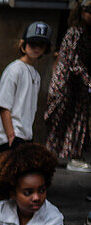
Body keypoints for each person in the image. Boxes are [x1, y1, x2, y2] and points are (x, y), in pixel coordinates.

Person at [44, 1, 91, 172]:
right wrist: (88, 80)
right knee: (60, 120)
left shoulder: (86, 33)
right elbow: (73, 61)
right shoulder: (75, 32)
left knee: (78, 120)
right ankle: (54, 155)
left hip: (77, 86)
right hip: (65, 84)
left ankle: (73, 154)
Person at [0, 23, 50, 153]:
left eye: (41, 45)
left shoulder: (36, 74)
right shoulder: (14, 70)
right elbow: (3, 106)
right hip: (12, 136)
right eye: (32, 44)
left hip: (26, 136)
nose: (36, 48)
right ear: (23, 44)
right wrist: (10, 136)